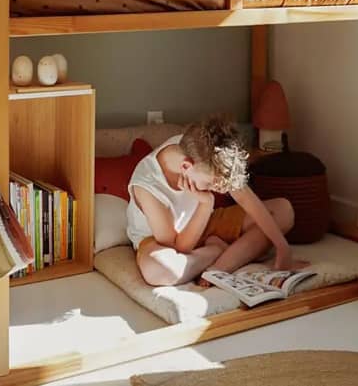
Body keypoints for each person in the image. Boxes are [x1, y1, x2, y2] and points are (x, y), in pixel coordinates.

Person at [126, 116, 301, 287]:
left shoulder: (201, 149)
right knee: (159, 271)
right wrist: (205, 204)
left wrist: (282, 246)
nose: (217, 190)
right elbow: (179, 247)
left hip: (207, 222)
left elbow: (243, 195)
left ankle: (218, 269)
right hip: (163, 241)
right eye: (211, 184)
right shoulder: (148, 185)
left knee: (283, 210)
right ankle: (216, 251)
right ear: (186, 167)